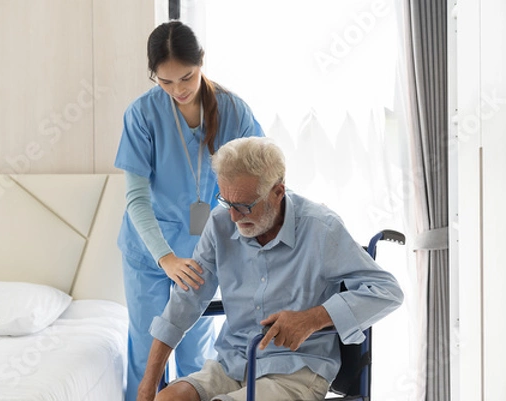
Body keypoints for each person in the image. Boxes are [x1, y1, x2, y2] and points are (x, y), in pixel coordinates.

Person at [136, 137, 404, 401]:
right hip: (233, 362)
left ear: (277, 193)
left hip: (297, 369)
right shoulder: (221, 222)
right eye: (226, 202)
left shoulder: (322, 228)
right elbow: (186, 300)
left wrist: (312, 319)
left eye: (243, 206)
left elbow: (387, 291)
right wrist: (147, 388)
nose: (233, 217)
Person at [114, 21, 265, 401]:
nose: (178, 90)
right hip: (149, 251)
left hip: (202, 251)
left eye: (187, 77)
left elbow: (261, 176)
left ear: (202, 62)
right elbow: (136, 198)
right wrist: (164, 257)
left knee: (195, 353)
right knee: (146, 350)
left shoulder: (233, 112)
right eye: (166, 82)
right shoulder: (142, 115)